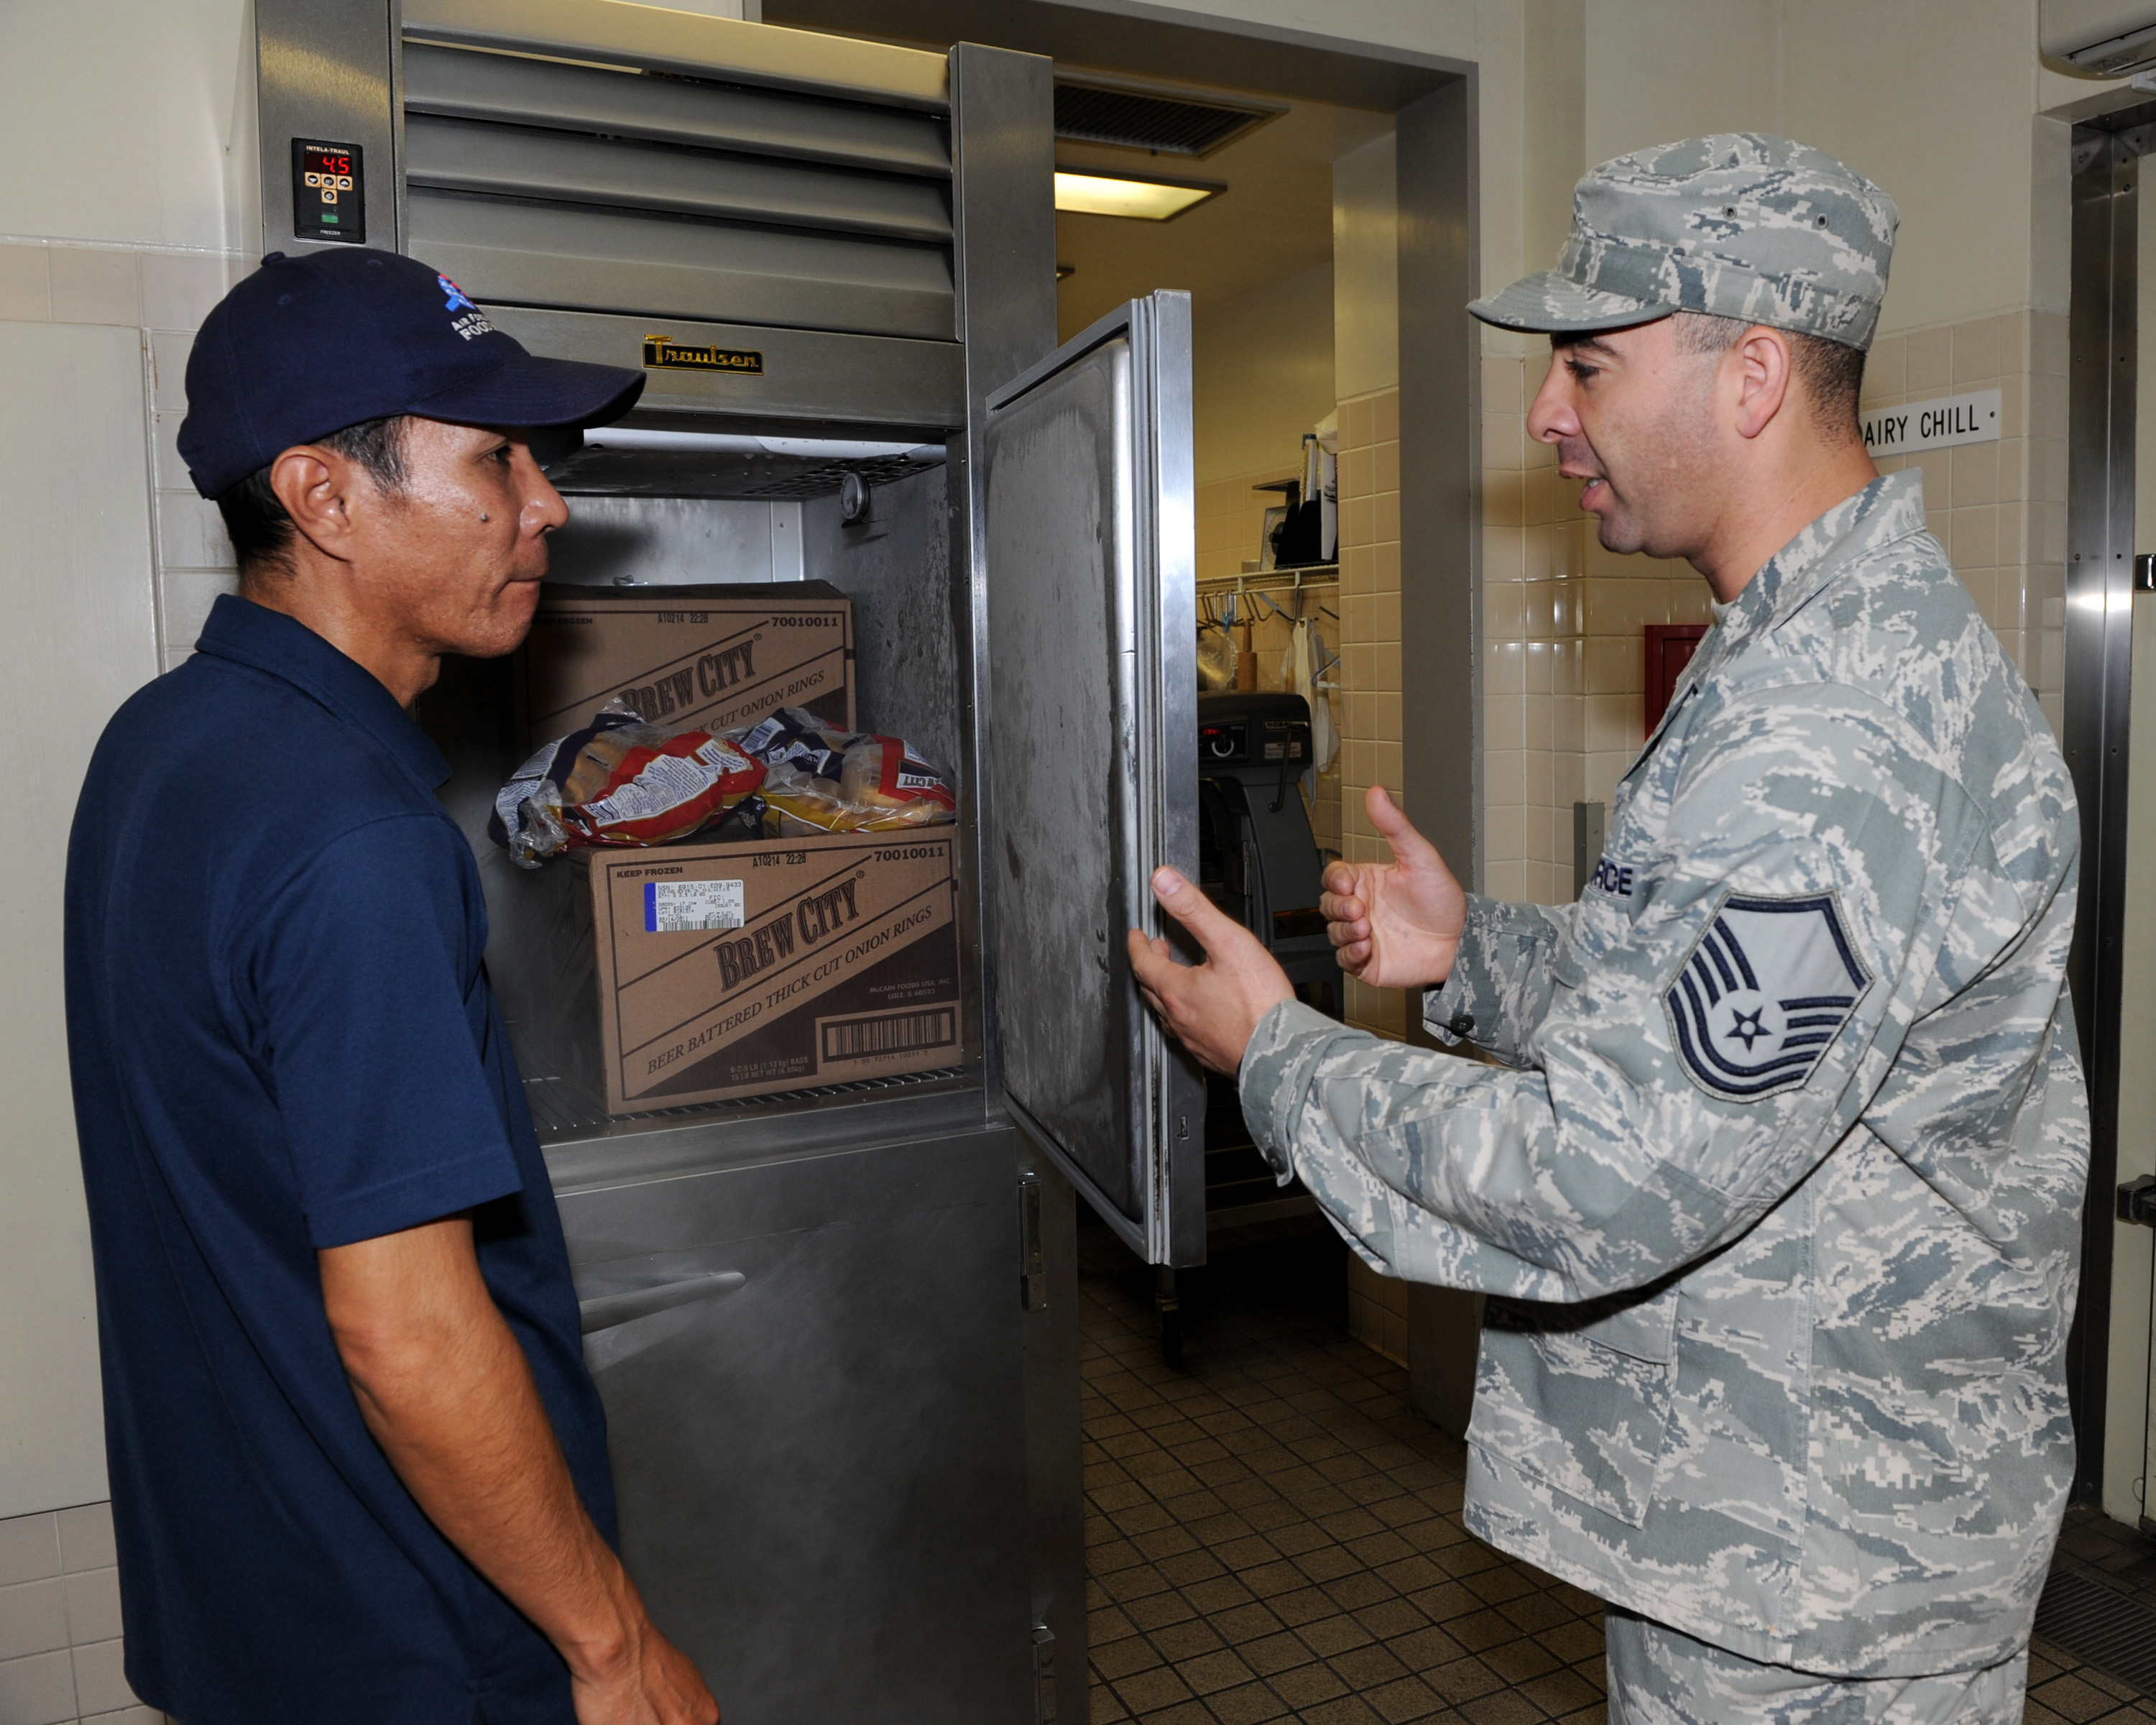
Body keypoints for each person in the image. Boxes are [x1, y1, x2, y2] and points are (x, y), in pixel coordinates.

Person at [1128, 134, 2086, 1722]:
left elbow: (1606, 1172)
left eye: (1586, 362)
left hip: (1819, 1588)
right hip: (1777, 1535)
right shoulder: (1797, 651)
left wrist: (1277, 1058)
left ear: (1753, 376)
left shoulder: (1831, 728)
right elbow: (1739, 1011)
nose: (1544, 413)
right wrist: (1483, 953)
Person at [65, 248, 720, 1725]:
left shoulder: (158, 747)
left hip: (248, 1616)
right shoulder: (352, 841)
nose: (546, 504)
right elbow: (406, 1333)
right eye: (493, 458)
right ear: (323, 498)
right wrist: (611, 1645)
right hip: (418, 1638)